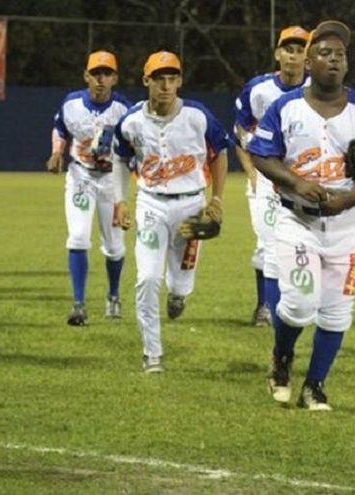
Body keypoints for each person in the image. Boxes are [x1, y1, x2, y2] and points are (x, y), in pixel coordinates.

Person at [248, 21, 355, 410]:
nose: (334, 59)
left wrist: (349, 199)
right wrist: (296, 182)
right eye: (325, 53)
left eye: (340, 54)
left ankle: (314, 386)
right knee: (298, 304)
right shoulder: (285, 106)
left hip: (345, 225)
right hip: (297, 220)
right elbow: (261, 154)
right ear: (309, 62)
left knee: (336, 314)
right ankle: (282, 357)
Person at [112, 50, 229, 373]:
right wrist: (121, 200)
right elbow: (120, 158)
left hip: (192, 206)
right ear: (146, 81)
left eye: (172, 78)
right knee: (148, 277)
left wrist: (217, 200)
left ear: (179, 81)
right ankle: (152, 353)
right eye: (159, 79)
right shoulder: (131, 121)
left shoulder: (196, 115)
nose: (166, 85)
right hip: (151, 204)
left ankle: (178, 294)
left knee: (180, 283)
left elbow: (220, 152)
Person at [47, 50, 131, 325]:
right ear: (86, 76)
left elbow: (134, 146)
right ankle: (78, 304)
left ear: (114, 78)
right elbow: (60, 128)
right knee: (78, 237)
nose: (100, 79)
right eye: (96, 73)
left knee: (115, 247)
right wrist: (57, 152)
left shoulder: (124, 110)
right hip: (80, 176)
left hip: (111, 182)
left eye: (106, 74)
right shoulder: (72, 103)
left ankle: (113, 296)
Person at [234, 25, 310, 326]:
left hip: (303, 178)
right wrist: (251, 172)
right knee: (268, 243)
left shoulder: (318, 88)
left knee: (304, 243)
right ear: (278, 53)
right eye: (288, 49)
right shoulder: (258, 89)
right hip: (266, 176)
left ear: (308, 57)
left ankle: (298, 303)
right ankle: (267, 307)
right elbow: (241, 131)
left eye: (300, 50)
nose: (293, 56)